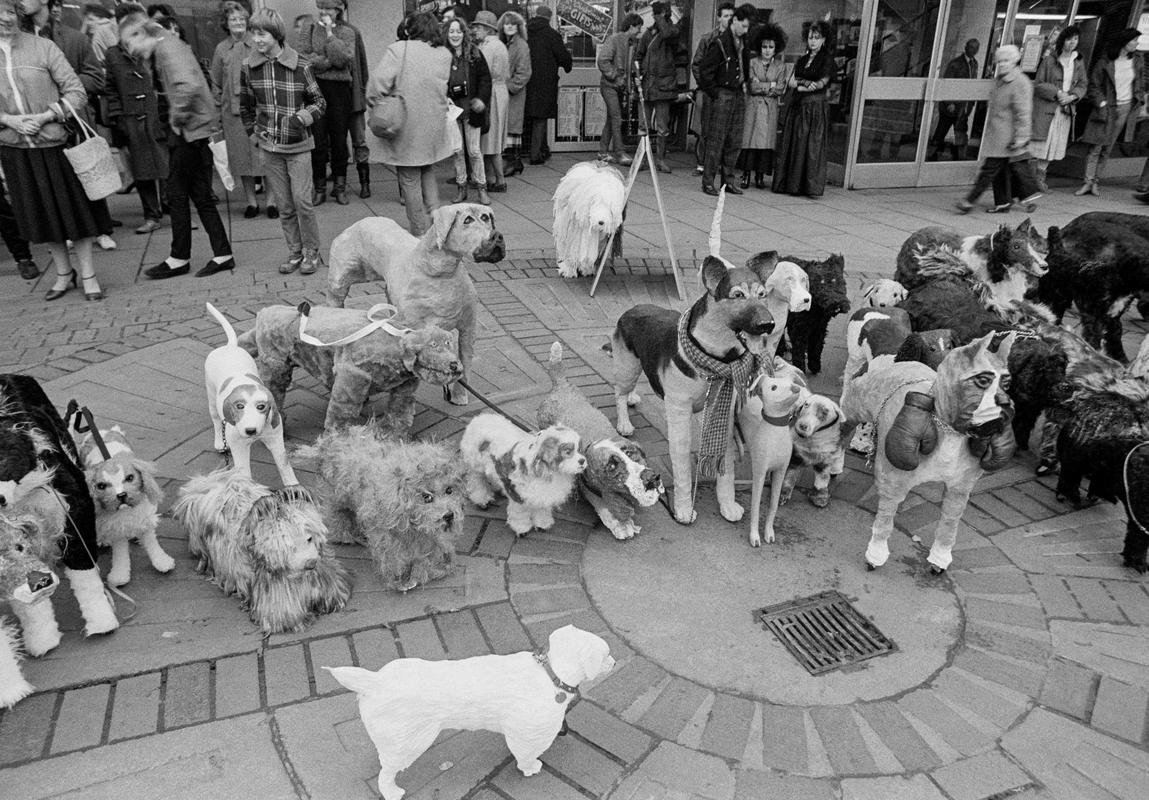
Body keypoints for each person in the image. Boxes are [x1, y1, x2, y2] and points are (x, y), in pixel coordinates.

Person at [0, 0, 111, 299]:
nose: (5, 18)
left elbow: (76, 92)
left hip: (55, 144)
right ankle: (64, 273)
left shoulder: (43, 47)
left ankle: (88, 274)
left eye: (10, 11)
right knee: (41, 217)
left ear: (18, 14)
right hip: (16, 149)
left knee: (74, 214)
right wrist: (9, 120)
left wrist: (47, 115)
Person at [120, 7, 236, 278]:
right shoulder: (167, 46)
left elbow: (188, 87)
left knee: (177, 195)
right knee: (199, 196)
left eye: (130, 41)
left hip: (188, 132)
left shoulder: (167, 48)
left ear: (141, 32)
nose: (130, 49)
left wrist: (176, 119)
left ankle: (180, 258)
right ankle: (220, 254)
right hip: (194, 131)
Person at [241, 7, 325, 275]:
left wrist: (301, 118)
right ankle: (295, 252)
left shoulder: (300, 64)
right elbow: (245, 106)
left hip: (299, 146)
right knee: (285, 206)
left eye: (262, 33)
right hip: (270, 148)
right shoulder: (249, 67)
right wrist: (253, 134)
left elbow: (320, 103)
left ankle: (312, 251)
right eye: (253, 33)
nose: (257, 39)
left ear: (276, 34)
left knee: (303, 202)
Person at [367, 11, 451, 236]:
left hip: (405, 123)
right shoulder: (444, 53)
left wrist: (378, 105)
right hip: (434, 123)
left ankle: (419, 231)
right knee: (427, 168)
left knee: (408, 176)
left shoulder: (399, 49)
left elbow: (377, 85)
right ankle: (436, 216)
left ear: (410, 29)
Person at [104, 2, 167, 234]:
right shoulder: (113, 54)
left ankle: (174, 210)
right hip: (131, 120)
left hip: (156, 115)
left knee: (167, 165)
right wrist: (118, 118)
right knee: (141, 170)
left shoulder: (155, 47)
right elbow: (110, 89)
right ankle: (151, 215)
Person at [955, 45, 1041, 214]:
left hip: (1007, 137)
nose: (1002, 64)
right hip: (998, 134)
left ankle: (969, 201)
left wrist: (1022, 137)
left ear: (1015, 61)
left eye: (1006, 61)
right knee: (1001, 171)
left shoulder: (1019, 82)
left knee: (988, 171)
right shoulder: (1000, 80)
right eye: (999, 61)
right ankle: (1006, 202)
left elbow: (1023, 112)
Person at [297, 0, 362, 206]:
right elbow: (304, 58)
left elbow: (343, 60)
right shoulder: (308, 29)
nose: (324, 12)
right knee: (317, 141)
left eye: (329, 9)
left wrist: (329, 34)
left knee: (339, 139)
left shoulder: (347, 32)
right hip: (315, 89)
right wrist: (327, 61)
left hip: (339, 91)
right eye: (322, 8)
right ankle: (319, 189)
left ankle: (340, 188)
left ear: (338, 10)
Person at [211, 1, 266, 218]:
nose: (238, 22)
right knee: (242, 159)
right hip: (232, 115)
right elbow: (215, 82)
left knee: (266, 156)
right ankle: (251, 203)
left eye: (242, 18)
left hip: (261, 110)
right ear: (226, 23)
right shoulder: (221, 49)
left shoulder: (258, 43)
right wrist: (216, 114)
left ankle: (272, 202)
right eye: (233, 19)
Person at [1076, 28, 1143, 197]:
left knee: (1108, 146)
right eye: (1134, 40)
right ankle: (1087, 181)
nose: (1137, 44)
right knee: (1096, 146)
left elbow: (1140, 83)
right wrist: (1102, 102)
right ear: (1124, 43)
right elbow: (1094, 85)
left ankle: (1095, 182)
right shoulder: (1105, 62)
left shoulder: (1137, 61)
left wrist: (1139, 98)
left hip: (1125, 106)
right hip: (1107, 107)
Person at [772, 19, 836, 197]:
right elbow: (791, 82)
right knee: (795, 145)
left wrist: (802, 84)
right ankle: (791, 184)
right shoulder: (803, 59)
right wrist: (803, 84)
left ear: (823, 39)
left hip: (814, 108)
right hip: (799, 106)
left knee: (810, 146)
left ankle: (808, 187)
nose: (813, 41)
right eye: (810, 37)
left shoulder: (827, 60)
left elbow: (821, 83)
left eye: (816, 37)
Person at [697, 4, 750, 195]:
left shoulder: (744, 42)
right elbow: (705, 71)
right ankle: (709, 181)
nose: (745, 30)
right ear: (734, 21)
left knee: (734, 141)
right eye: (743, 26)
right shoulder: (719, 43)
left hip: (737, 93)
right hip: (723, 92)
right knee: (716, 140)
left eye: (747, 27)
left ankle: (728, 181)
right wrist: (714, 93)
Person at [1029, 25, 1086, 192]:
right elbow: (1039, 84)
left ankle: (1040, 178)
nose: (1072, 43)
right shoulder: (1050, 60)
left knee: (1053, 146)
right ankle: (1029, 179)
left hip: (1065, 109)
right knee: (1040, 144)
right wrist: (1058, 92)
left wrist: (1073, 96)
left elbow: (1083, 84)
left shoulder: (1078, 61)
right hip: (1048, 107)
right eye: (1069, 39)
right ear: (1063, 41)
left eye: (1075, 39)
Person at [444, 16, 491, 204]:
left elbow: (485, 79)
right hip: (452, 111)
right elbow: (437, 80)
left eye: (458, 31)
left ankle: (482, 188)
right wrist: (443, 95)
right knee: (457, 151)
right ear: (446, 34)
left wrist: (481, 99)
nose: (455, 35)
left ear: (464, 33)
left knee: (474, 151)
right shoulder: (442, 55)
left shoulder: (475, 54)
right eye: (451, 31)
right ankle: (461, 187)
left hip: (471, 111)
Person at [738, 22, 787, 189]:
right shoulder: (752, 63)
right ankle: (745, 174)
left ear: (776, 48)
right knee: (750, 142)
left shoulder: (780, 66)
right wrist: (770, 85)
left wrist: (764, 85)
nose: (767, 50)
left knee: (765, 144)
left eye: (771, 47)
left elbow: (780, 87)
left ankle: (760, 176)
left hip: (770, 109)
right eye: (764, 46)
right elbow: (751, 86)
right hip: (753, 107)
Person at [523, 5, 570, 165]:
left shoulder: (525, 33)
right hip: (545, 81)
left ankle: (543, 148)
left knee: (533, 116)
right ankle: (535, 154)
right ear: (549, 18)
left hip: (527, 80)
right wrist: (567, 65)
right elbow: (563, 57)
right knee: (541, 117)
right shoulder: (552, 35)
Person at [636, 1, 680, 173]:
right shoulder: (648, 34)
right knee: (643, 126)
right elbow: (639, 56)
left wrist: (661, 19)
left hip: (663, 86)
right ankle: (642, 159)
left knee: (662, 127)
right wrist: (637, 75)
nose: (655, 17)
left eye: (658, 14)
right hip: (648, 84)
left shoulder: (673, 31)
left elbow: (668, 33)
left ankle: (661, 159)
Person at [691, 2, 734, 175]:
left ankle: (719, 163)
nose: (728, 20)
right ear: (718, 18)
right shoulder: (708, 38)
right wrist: (706, 85)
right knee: (705, 128)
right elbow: (696, 64)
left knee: (725, 129)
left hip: (727, 91)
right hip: (708, 89)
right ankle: (702, 163)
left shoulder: (737, 40)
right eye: (725, 16)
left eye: (731, 16)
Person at [596, 12, 641, 166]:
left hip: (616, 85)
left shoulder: (630, 43)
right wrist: (615, 76)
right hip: (610, 85)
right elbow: (602, 60)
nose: (639, 32)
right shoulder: (615, 40)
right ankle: (619, 152)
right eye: (638, 28)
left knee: (612, 119)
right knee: (616, 118)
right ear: (631, 26)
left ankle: (602, 152)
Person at [472, 11, 508, 192]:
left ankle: (499, 180)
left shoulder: (487, 47)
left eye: (477, 27)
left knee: (490, 139)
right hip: (500, 91)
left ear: (487, 29)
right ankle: (488, 178)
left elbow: (482, 73)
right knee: (493, 138)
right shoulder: (500, 45)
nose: (474, 30)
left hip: (491, 92)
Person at [499, 10, 530, 176]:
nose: (509, 26)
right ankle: (514, 162)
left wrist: (509, 86)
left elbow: (524, 73)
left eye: (513, 24)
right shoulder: (506, 43)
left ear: (519, 27)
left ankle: (512, 162)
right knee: (507, 127)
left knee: (511, 127)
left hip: (513, 94)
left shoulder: (521, 45)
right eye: (506, 23)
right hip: (505, 94)